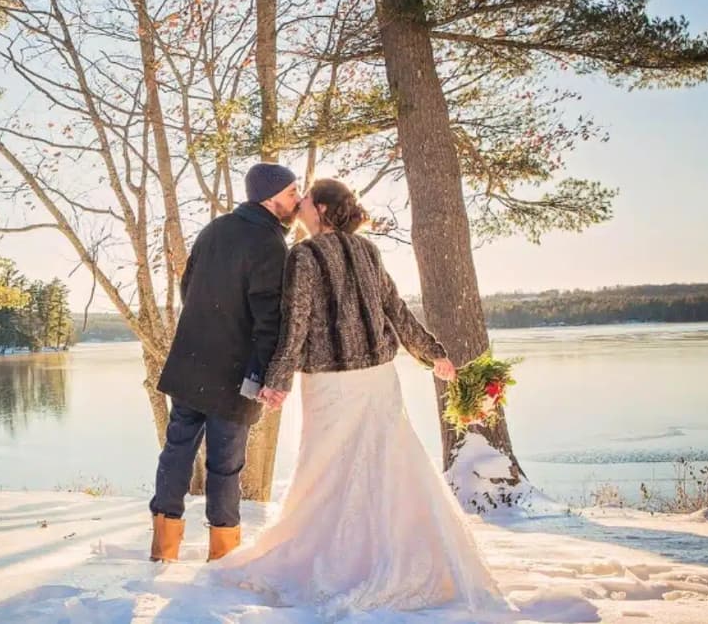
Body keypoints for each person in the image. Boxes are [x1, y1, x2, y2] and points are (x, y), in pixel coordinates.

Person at [213, 178, 503, 616]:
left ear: (324, 210)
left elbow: (296, 323)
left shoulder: (305, 256)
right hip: (379, 379)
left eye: (306, 202)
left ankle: (345, 562)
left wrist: (278, 379)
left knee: (324, 471)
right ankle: (386, 555)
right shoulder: (367, 250)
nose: (301, 209)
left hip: (331, 383)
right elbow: (397, 309)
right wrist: (433, 354)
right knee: (389, 467)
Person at [149, 162, 301, 563]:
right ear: (269, 199)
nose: (297, 200)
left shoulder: (214, 229)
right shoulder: (269, 243)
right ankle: (223, 556)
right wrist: (268, 374)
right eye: (291, 193)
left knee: (177, 452)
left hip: (191, 362)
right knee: (225, 466)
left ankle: (163, 549)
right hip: (234, 373)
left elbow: (188, 287)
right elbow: (270, 319)